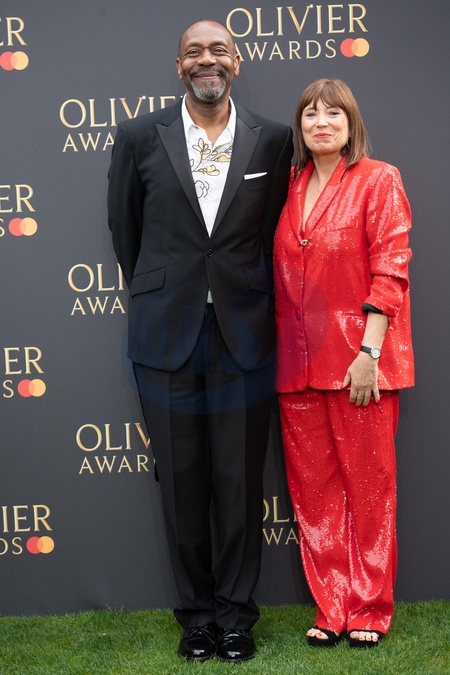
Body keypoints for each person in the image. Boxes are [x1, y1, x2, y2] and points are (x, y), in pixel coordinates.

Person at [107, 19, 293, 662]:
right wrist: (165, 293)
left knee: (239, 483)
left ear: (237, 63)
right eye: (194, 52)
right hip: (165, 335)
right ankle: (196, 618)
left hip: (244, 334)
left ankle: (236, 617)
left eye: (218, 50)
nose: (206, 60)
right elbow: (125, 232)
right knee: (182, 483)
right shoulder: (139, 135)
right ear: (179, 65)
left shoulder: (274, 138)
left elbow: (272, 236)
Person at [273, 79, 414, 649]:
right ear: (301, 127)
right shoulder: (288, 185)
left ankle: (371, 609)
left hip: (360, 365)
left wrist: (369, 354)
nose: (321, 122)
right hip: (297, 368)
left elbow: (391, 269)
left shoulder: (379, 179)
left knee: (370, 491)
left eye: (333, 113)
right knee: (315, 495)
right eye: (310, 114)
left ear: (351, 124)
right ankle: (332, 605)